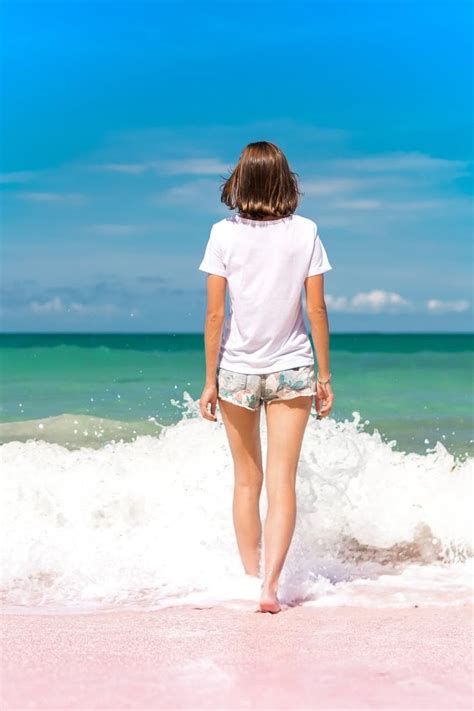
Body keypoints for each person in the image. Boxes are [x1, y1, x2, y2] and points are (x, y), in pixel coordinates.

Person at [198, 141, 334, 613]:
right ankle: (269, 589)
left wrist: (210, 380)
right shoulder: (306, 232)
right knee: (282, 482)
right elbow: (315, 308)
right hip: (293, 366)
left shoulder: (222, 233)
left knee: (245, 483)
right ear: (284, 180)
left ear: (241, 180)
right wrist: (326, 375)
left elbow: (216, 315)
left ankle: (249, 578)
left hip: (235, 368)